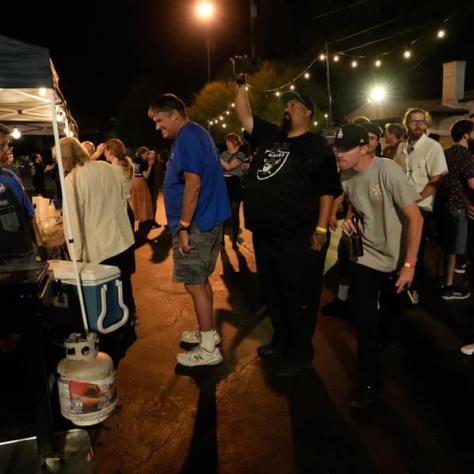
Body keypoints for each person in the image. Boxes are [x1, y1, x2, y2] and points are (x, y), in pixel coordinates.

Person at [235, 75, 341, 376]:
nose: (288, 107)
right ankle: (281, 340)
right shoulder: (272, 136)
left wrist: (321, 230)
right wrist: (240, 84)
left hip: (299, 236)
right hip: (266, 233)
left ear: (308, 112)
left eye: (294, 104)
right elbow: (243, 115)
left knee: (299, 295)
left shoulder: (316, 146)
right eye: (286, 104)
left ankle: (300, 352)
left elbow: (327, 191)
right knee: (273, 292)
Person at [336, 124, 423, 408]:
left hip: (397, 260)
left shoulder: (388, 171)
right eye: (336, 148)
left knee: (392, 317)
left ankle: (389, 348)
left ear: (364, 148)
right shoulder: (345, 174)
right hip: (366, 258)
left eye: (344, 148)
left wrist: (409, 265)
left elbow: (416, 218)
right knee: (363, 321)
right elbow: (355, 206)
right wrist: (351, 220)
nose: (338, 153)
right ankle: (369, 383)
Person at [148, 93, 230, 367]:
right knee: (200, 281)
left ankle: (208, 349)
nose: (158, 128)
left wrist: (183, 226)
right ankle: (208, 333)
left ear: (174, 114)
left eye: (160, 121)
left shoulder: (188, 137)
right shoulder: (194, 134)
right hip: (204, 219)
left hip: (197, 223)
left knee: (194, 283)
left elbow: (193, 184)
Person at [54, 137, 137, 322]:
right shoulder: (107, 168)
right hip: (122, 237)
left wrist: (76, 254)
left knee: (107, 290)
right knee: (125, 282)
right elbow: (125, 192)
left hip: (102, 245)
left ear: (66, 158)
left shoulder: (71, 181)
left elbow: (73, 222)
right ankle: (131, 317)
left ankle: (115, 324)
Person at [395, 108, 448, 295]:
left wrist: (417, 197)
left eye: (421, 121)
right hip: (401, 207)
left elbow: (437, 180)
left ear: (426, 124)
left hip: (420, 208)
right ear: (406, 124)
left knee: (415, 251)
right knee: (401, 249)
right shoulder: (401, 147)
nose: (417, 125)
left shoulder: (433, 147)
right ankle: (401, 287)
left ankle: (414, 291)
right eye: (413, 121)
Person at [434, 120, 474, 300]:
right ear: (466, 135)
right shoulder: (464, 155)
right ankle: (449, 288)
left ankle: (443, 281)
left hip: (443, 205)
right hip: (457, 208)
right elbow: (472, 183)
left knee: (446, 247)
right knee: (453, 249)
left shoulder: (446, 152)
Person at [0, 124, 44, 264]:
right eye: (2, 145)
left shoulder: (11, 177)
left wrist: (40, 246)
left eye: (7, 144)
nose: (8, 149)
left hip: (24, 256)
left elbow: (30, 214)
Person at [220, 132, 246, 248]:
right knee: (223, 213)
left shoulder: (240, 155)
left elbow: (229, 167)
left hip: (234, 184)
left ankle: (234, 240)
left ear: (233, 142)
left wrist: (218, 158)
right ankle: (221, 240)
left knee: (234, 214)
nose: (226, 144)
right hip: (223, 183)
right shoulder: (223, 154)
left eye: (228, 142)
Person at [130, 146, 156, 230]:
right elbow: (146, 176)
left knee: (137, 201)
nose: (147, 156)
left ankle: (140, 219)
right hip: (141, 182)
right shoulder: (143, 162)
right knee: (144, 201)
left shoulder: (133, 160)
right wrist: (150, 166)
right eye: (147, 154)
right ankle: (144, 221)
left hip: (134, 181)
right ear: (142, 154)